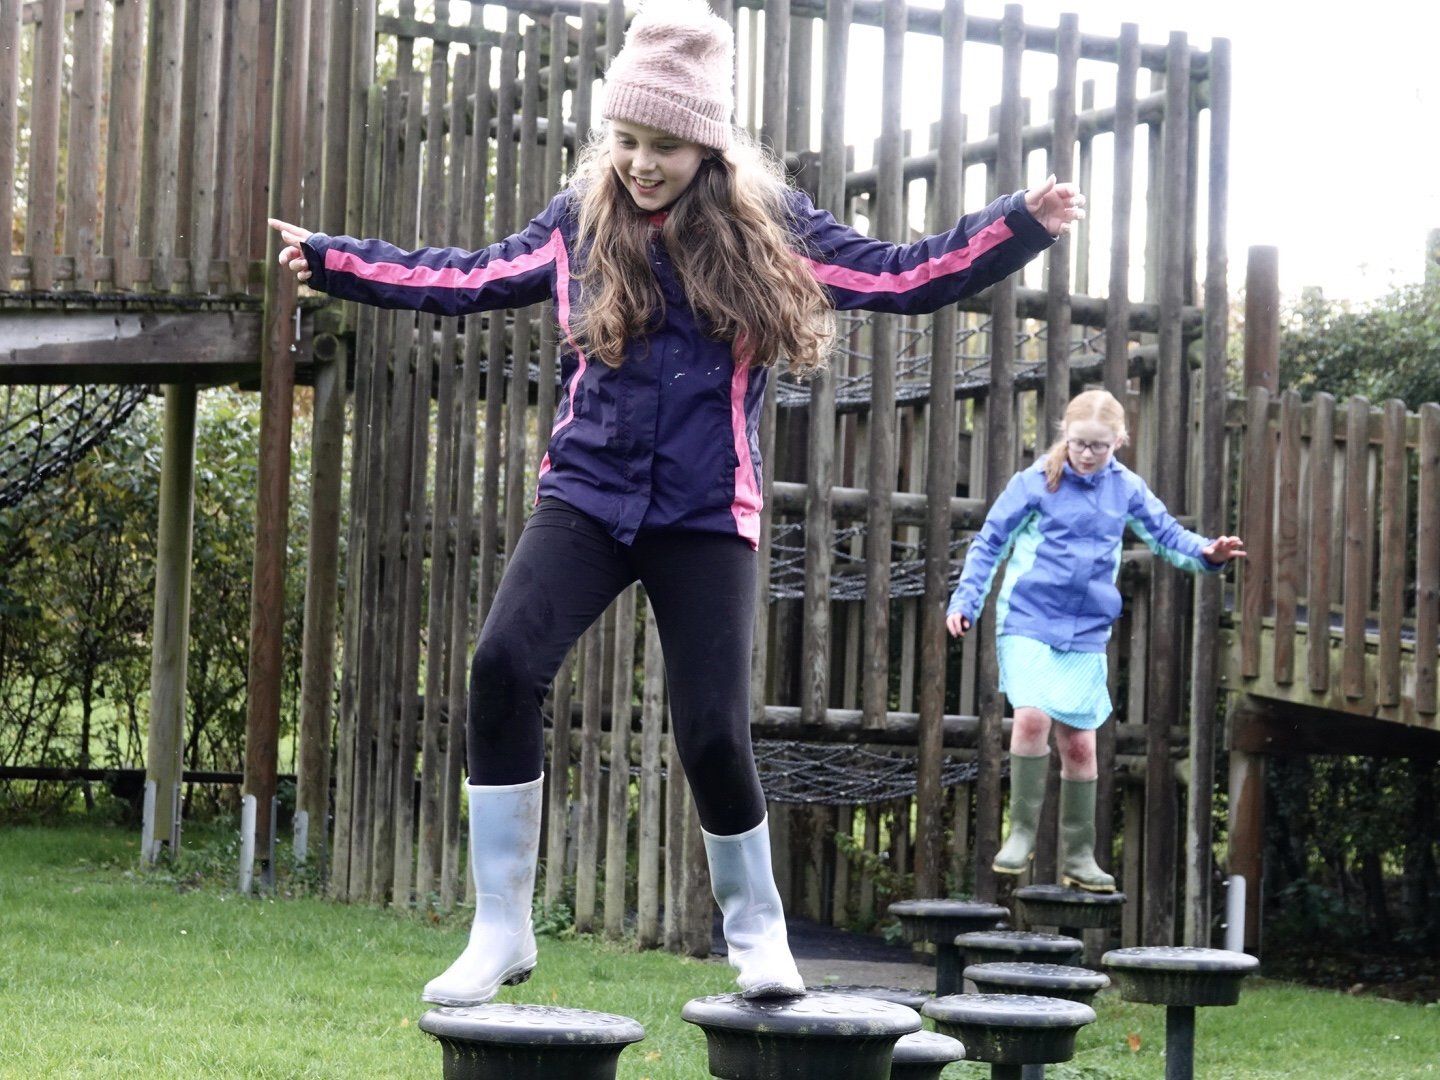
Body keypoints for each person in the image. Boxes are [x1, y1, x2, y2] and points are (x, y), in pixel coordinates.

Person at [271, 0, 1084, 1004]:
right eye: (625, 142)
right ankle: (501, 929)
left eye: (663, 146)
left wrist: (1016, 228)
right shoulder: (580, 224)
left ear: (706, 148)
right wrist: (338, 262)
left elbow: (900, 276)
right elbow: (466, 277)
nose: (640, 164)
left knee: (708, 728)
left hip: (705, 512)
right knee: (500, 665)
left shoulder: (769, 233)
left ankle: (757, 934)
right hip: (587, 495)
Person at [945, 389, 1244, 891]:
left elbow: (1168, 536)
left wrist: (1209, 553)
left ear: (1118, 443)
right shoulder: (1036, 481)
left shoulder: (1125, 488)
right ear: (1065, 434)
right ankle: (1020, 835)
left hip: (1086, 630)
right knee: (1033, 715)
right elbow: (990, 542)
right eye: (1080, 443)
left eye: (1099, 447)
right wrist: (965, 601)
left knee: (1081, 747)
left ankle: (1079, 857)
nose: (1087, 455)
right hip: (1029, 618)